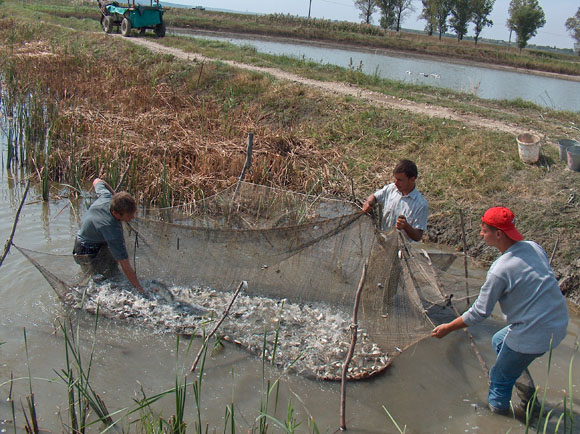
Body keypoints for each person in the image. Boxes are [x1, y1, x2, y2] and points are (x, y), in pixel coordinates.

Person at [431, 207, 569, 416]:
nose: (480, 234)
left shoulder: (499, 270)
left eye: (484, 230)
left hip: (533, 333)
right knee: (498, 340)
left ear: (498, 234)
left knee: (499, 379)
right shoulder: (533, 247)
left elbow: (479, 312)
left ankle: (499, 420)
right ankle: (528, 395)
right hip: (558, 324)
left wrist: (448, 328)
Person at [73, 178, 146, 295]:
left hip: (97, 241)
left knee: (113, 272)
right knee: (97, 282)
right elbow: (125, 265)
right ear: (116, 213)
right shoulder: (112, 230)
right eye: (129, 215)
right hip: (85, 251)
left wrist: (115, 195)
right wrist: (140, 289)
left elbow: (97, 181)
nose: (132, 217)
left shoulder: (107, 197)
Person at [362, 159, 428, 241]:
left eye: (400, 180)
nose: (396, 183)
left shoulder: (421, 204)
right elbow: (374, 197)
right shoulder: (391, 189)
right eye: (395, 179)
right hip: (383, 243)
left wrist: (406, 226)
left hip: (402, 250)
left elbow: (417, 236)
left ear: (412, 179)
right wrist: (369, 202)